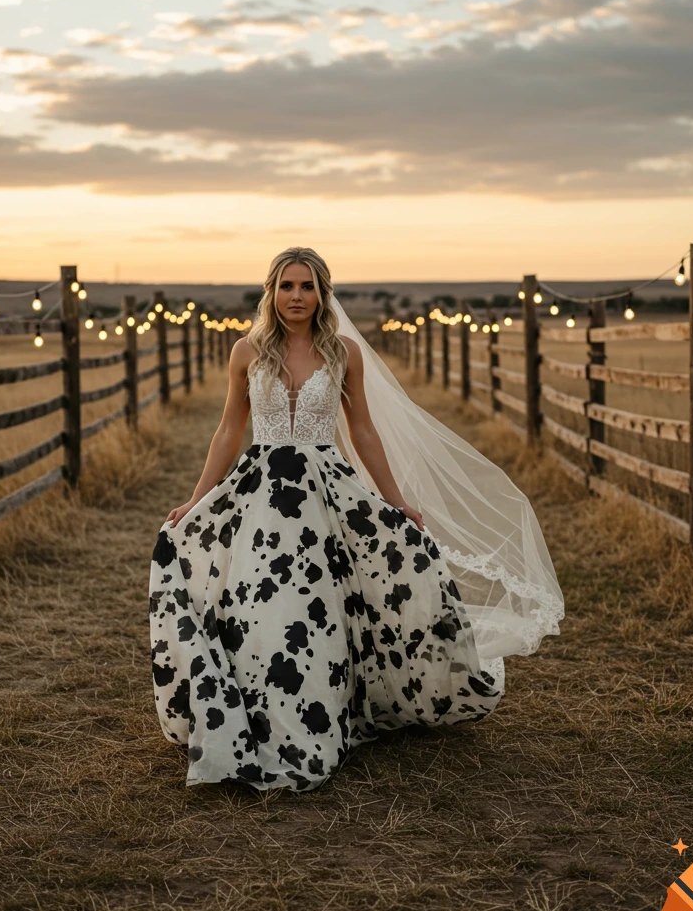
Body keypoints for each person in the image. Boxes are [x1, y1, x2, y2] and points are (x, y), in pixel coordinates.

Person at [149, 246, 564, 791]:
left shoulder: (343, 351)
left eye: (307, 286)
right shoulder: (247, 351)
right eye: (287, 286)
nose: (296, 296)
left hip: (324, 488)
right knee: (262, 606)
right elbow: (229, 429)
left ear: (323, 293)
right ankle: (261, 718)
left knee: (318, 607)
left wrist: (393, 500)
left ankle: (318, 720)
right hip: (263, 492)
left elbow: (362, 428)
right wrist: (198, 499)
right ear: (270, 292)